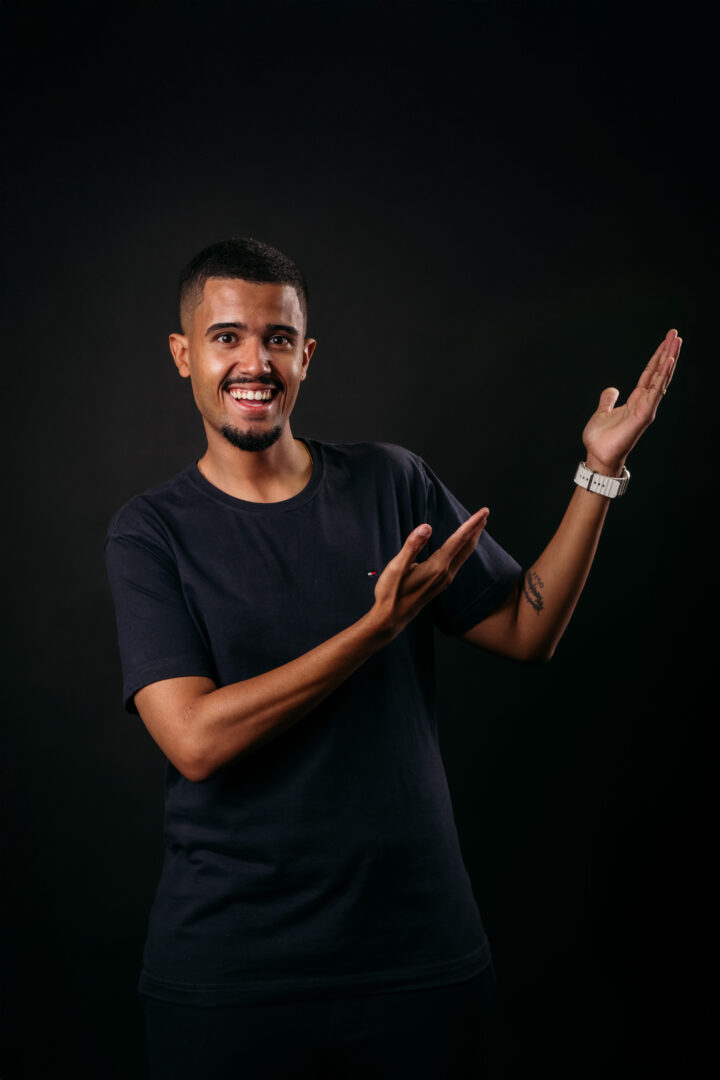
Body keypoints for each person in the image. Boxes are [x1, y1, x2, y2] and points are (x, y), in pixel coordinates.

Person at [105, 237, 681, 1079]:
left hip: (418, 961)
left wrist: (599, 471)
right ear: (183, 354)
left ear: (305, 355)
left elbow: (528, 630)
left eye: (276, 339)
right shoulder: (150, 533)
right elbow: (194, 739)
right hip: (231, 975)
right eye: (227, 337)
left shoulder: (391, 484)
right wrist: (371, 633)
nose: (254, 363)